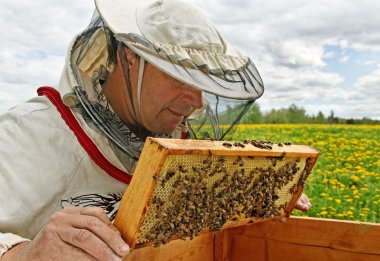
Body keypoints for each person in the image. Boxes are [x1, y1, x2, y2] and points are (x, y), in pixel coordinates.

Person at [0, 0, 311, 260]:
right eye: (181, 75)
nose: (197, 100)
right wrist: (23, 254)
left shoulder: (177, 138)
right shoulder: (26, 134)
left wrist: (252, 198)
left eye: (204, 82)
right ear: (131, 57)